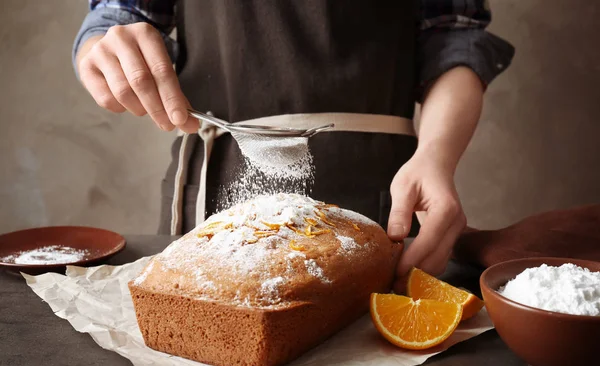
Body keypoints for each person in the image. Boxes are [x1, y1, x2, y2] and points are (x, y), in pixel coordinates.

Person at [73, 1, 514, 289]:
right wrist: (102, 45)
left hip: (384, 195)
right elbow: (119, 14)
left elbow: (454, 35)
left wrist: (436, 156)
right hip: (215, 183)